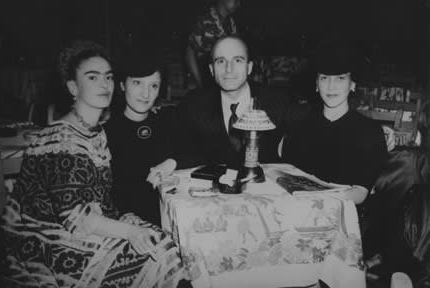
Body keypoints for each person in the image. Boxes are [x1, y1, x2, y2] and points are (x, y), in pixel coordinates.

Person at [0, 40, 187, 288]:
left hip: (94, 224)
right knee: (153, 258)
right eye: (93, 77)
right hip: (49, 238)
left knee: (166, 245)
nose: (104, 84)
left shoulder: (95, 132)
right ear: (73, 88)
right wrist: (131, 231)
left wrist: (130, 222)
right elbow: (77, 218)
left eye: (108, 77)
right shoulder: (60, 139)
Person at [147, 35, 310, 187]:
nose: (228, 69)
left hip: (266, 197)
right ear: (211, 70)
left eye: (237, 60)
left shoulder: (276, 100)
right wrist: (172, 162)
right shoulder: (196, 103)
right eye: (220, 61)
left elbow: (312, 124)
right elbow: (180, 140)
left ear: (249, 67)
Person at [282, 40, 389, 206]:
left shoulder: (369, 131)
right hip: (300, 211)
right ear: (316, 85)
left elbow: (360, 193)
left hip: (346, 215)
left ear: (352, 84)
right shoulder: (300, 128)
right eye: (324, 78)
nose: (331, 86)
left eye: (340, 78)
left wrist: (321, 200)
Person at [105, 51, 177, 226]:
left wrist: (173, 161)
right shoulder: (108, 132)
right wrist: (123, 213)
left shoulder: (165, 122)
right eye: (137, 83)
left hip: (168, 218)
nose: (145, 94)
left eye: (153, 86)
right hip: (128, 223)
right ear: (122, 85)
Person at [186, 0, 240, 88]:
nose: (238, 4)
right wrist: (200, 83)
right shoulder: (204, 19)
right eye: (236, 0)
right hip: (205, 80)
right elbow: (190, 53)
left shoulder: (231, 23)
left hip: (223, 81)